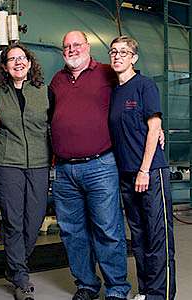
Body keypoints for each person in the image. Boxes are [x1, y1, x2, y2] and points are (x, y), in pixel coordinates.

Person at [49, 30, 131, 300]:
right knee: (72, 232)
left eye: (77, 45)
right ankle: (86, 284)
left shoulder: (107, 73)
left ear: (88, 47)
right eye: (67, 46)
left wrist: (155, 123)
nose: (72, 49)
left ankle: (117, 289)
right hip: (64, 170)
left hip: (100, 165)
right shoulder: (57, 81)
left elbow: (134, 95)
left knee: (108, 229)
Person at [108, 36, 176, 300]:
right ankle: (147, 291)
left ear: (134, 58)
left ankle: (162, 295)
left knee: (158, 236)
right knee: (139, 238)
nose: (118, 56)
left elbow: (154, 129)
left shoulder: (144, 86)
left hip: (150, 173)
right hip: (127, 174)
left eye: (124, 52)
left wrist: (144, 170)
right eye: (114, 51)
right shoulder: (115, 92)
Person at [0, 43, 50, 300]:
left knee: (34, 219)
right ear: (5, 67)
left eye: (22, 58)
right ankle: (20, 277)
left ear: (29, 62)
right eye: (11, 59)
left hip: (39, 162)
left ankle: (14, 264)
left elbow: (55, 125)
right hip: (8, 162)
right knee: (13, 220)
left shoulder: (44, 91)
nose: (18, 62)